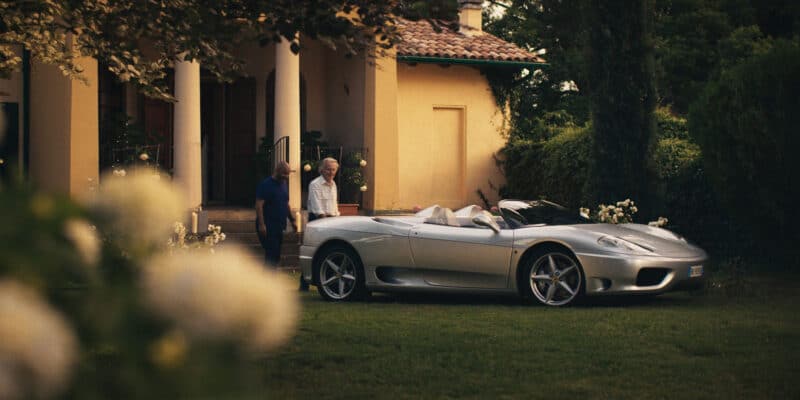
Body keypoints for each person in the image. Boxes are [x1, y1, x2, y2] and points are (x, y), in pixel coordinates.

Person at [299, 157, 340, 290]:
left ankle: (329, 282)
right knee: (314, 251)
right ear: (321, 170)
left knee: (330, 252)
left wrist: (337, 218)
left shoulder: (333, 184)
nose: (331, 172)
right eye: (328, 169)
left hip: (331, 220)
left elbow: (334, 205)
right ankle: (304, 282)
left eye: (333, 169)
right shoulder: (315, 184)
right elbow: (317, 208)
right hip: (318, 220)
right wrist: (326, 221)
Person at [255, 160, 297, 268]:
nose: (286, 177)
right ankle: (268, 280)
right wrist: (261, 224)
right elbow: (259, 205)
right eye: (284, 174)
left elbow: (286, 203)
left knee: (276, 255)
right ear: (277, 171)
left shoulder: (283, 184)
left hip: (279, 226)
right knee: (271, 255)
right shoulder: (266, 184)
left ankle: (270, 278)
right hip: (268, 226)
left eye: (288, 174)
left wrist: (292, 220)